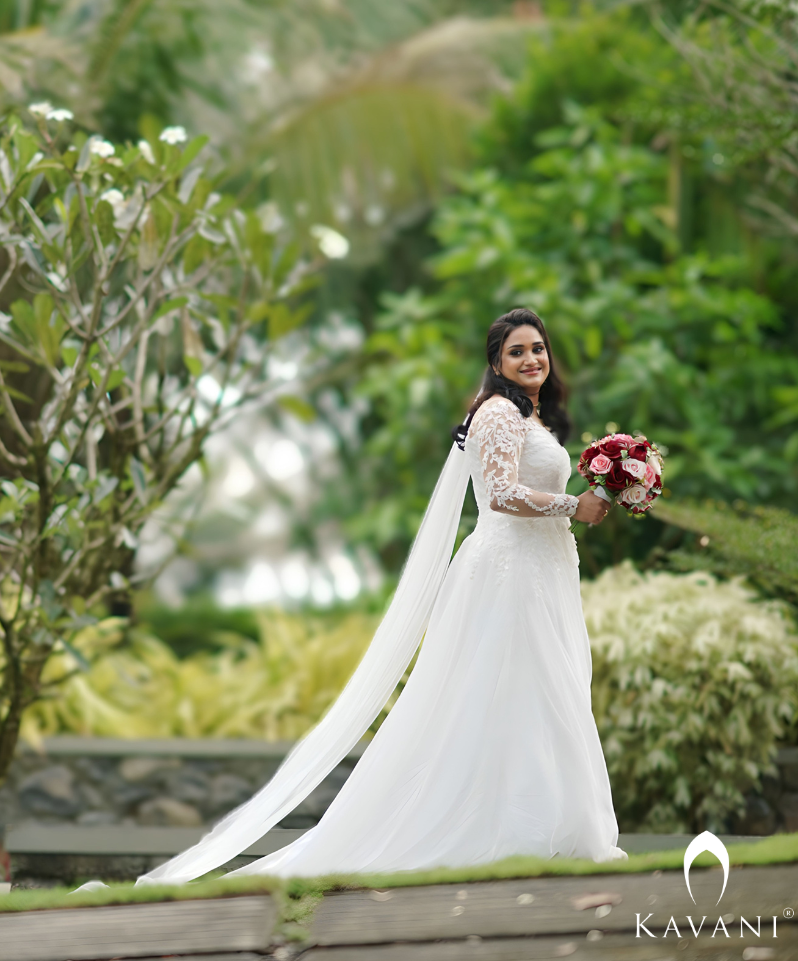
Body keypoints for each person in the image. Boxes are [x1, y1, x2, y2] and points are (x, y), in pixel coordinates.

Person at [133, 308, 625, 885]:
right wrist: (574, 505)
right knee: (513, 691)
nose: (531, 359)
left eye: (538, 348)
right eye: (516, 351)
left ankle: (552, 826)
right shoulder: (497, 412)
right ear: (497, 362)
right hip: (509, 572)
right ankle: (507, 829)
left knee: (541, 693)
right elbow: (498, 495)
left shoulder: (528, 416)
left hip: (540, 569)